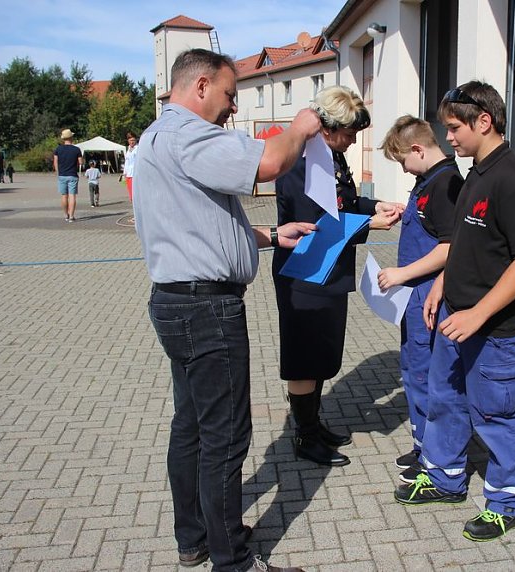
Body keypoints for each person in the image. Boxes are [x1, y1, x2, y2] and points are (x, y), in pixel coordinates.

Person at [133, 48, 321, 572]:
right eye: (229, 94)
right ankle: (232, 560)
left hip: (177, 301)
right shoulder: (189, 134)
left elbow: (197, 220)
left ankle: (194, 538)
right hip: (206, 309)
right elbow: (269, 162)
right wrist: (301, 127)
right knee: (226, 436)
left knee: (191, 426)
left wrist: (267, 235)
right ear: (198, 87)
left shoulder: (157, 137)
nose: (232, 108)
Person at [393, 81, 515, 543]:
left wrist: (478, 314)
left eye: (455, 128)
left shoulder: (514, 178)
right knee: (444, 399)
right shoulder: (475, 171)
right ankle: (444, 478)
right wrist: (441, 282)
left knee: (496, 415)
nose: (449, 138)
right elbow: (463, 243)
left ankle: (505, 503)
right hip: (455, 316)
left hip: (495, 328)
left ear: (485, 121)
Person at [272, 85, 403, 468]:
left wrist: (373, 205)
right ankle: (304, 435)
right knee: (303, 356)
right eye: (349, 133)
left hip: (329, 270)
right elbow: (314, 223)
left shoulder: (331, 157)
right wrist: (369, 225)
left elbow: (343, 203)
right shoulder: (300, 161)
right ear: (327, 128)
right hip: (304, 272)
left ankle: (313, 424)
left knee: (322, 352)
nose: (352, 141)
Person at [376, 115, 464, 483]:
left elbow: (449, 246)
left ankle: (435, 453)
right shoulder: (427, 181)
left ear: (417, 149)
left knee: (428, 375)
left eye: (402, 161)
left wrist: (400, 275)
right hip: (415, 296)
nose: (403, 168)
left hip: (429, 295)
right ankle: (423, 444)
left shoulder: (446, 184)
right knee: (414, 371)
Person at [53, 129, 82, 222]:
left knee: (64, 196)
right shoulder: (76, 149)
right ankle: (71, 216)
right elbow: (81, 162)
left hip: (62, 175)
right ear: (71, 138)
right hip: (73, 175)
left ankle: (66, 214)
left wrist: (58, 172)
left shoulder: (58, 149)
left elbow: (55, 162)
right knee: (72, 196)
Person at [120, 131, 138, 202]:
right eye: (130, 140)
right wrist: (124, 173)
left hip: (136, 174)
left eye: (133, 140)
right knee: (131, 194)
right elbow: (126, 162)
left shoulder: (138, 148)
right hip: (129, 174)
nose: (132, 142)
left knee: (136, 193)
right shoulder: (128, 150)